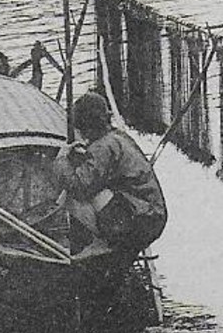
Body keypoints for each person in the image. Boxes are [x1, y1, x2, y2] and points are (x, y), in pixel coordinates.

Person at [56, 92, 168, 255]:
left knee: (75, 197)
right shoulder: (115, 137)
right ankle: (105, 240)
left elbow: (79, 187)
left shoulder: (103, 147)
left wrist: (62, 159)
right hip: (150, 213)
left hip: (142, 220)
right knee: (90, 189)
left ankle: (103, 245)